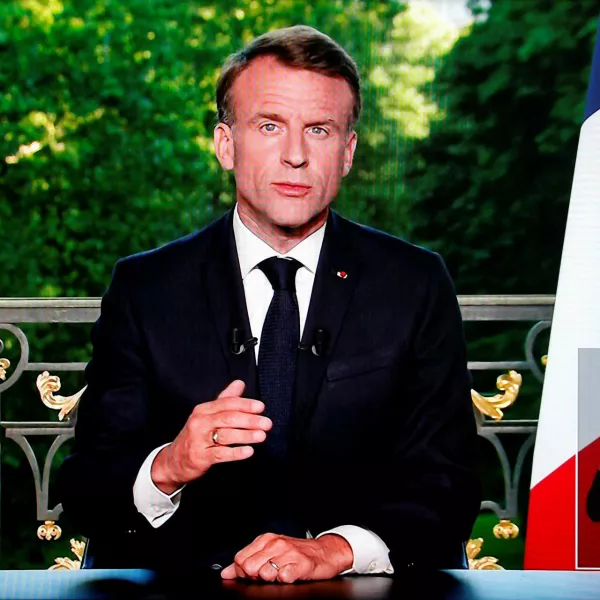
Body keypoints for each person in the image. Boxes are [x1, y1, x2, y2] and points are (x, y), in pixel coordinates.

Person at [58, 24, 481, 582]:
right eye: (269, 126)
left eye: (321, 130)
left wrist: (337, 550)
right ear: (225, 144)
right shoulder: (146, 289)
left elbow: (449, 480)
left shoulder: (414, 283)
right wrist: (169, 466)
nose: (297, 155)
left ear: (348, 152)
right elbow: (86, 491)